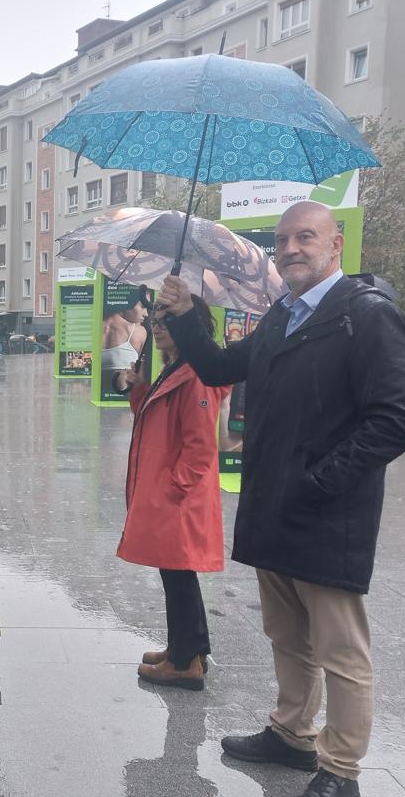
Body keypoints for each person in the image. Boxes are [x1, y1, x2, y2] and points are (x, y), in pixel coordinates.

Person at [156, 201, 405, 797]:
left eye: (306, 237)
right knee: (287, 634)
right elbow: (222, 365)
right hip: (274, 507)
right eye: (283, 240)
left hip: (329, 514)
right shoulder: (282, 316)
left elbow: (396, 421)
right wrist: (186, 314)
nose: (292, 248)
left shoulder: (367, 315)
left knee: (340, 650)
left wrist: (320, 481)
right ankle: (292, 734)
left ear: (336, 243)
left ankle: (340, 770)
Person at [116, 296, 230, 693]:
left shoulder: (195, 374)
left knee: (178, 574)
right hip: (169, 490)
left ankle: (184, 663)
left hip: (178, 496)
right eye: (156, 319)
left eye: (166, 320)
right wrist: (137, 388)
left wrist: (173, 488)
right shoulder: (174, 368)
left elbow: (200, 446)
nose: (157, 326)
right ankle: (188, 649)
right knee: (177, 574)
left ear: (187, 324)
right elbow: (153, 419)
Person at [104, 287, 150, 394]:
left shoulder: (97, 326)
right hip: (126, 399)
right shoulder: (139, 332)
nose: (146, 314)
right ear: (128, 304)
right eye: (143, 306)